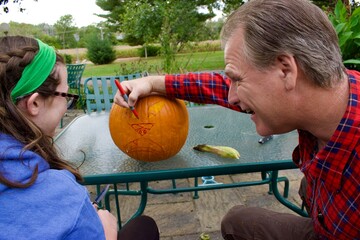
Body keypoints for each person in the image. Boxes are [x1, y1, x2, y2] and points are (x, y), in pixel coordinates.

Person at [114, 0, 360, 239]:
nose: (230, 96)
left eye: (237, 80)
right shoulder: (327, 91)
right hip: (328, 218)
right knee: (244, 218)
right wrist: (151, 83)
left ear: (286, 70)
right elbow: (218, 87)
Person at [0, 36, 159, 240]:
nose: (67, 107)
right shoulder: (61, 194)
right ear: (35, 104)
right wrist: (107, 232)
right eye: (66, 97)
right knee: (145, 227)